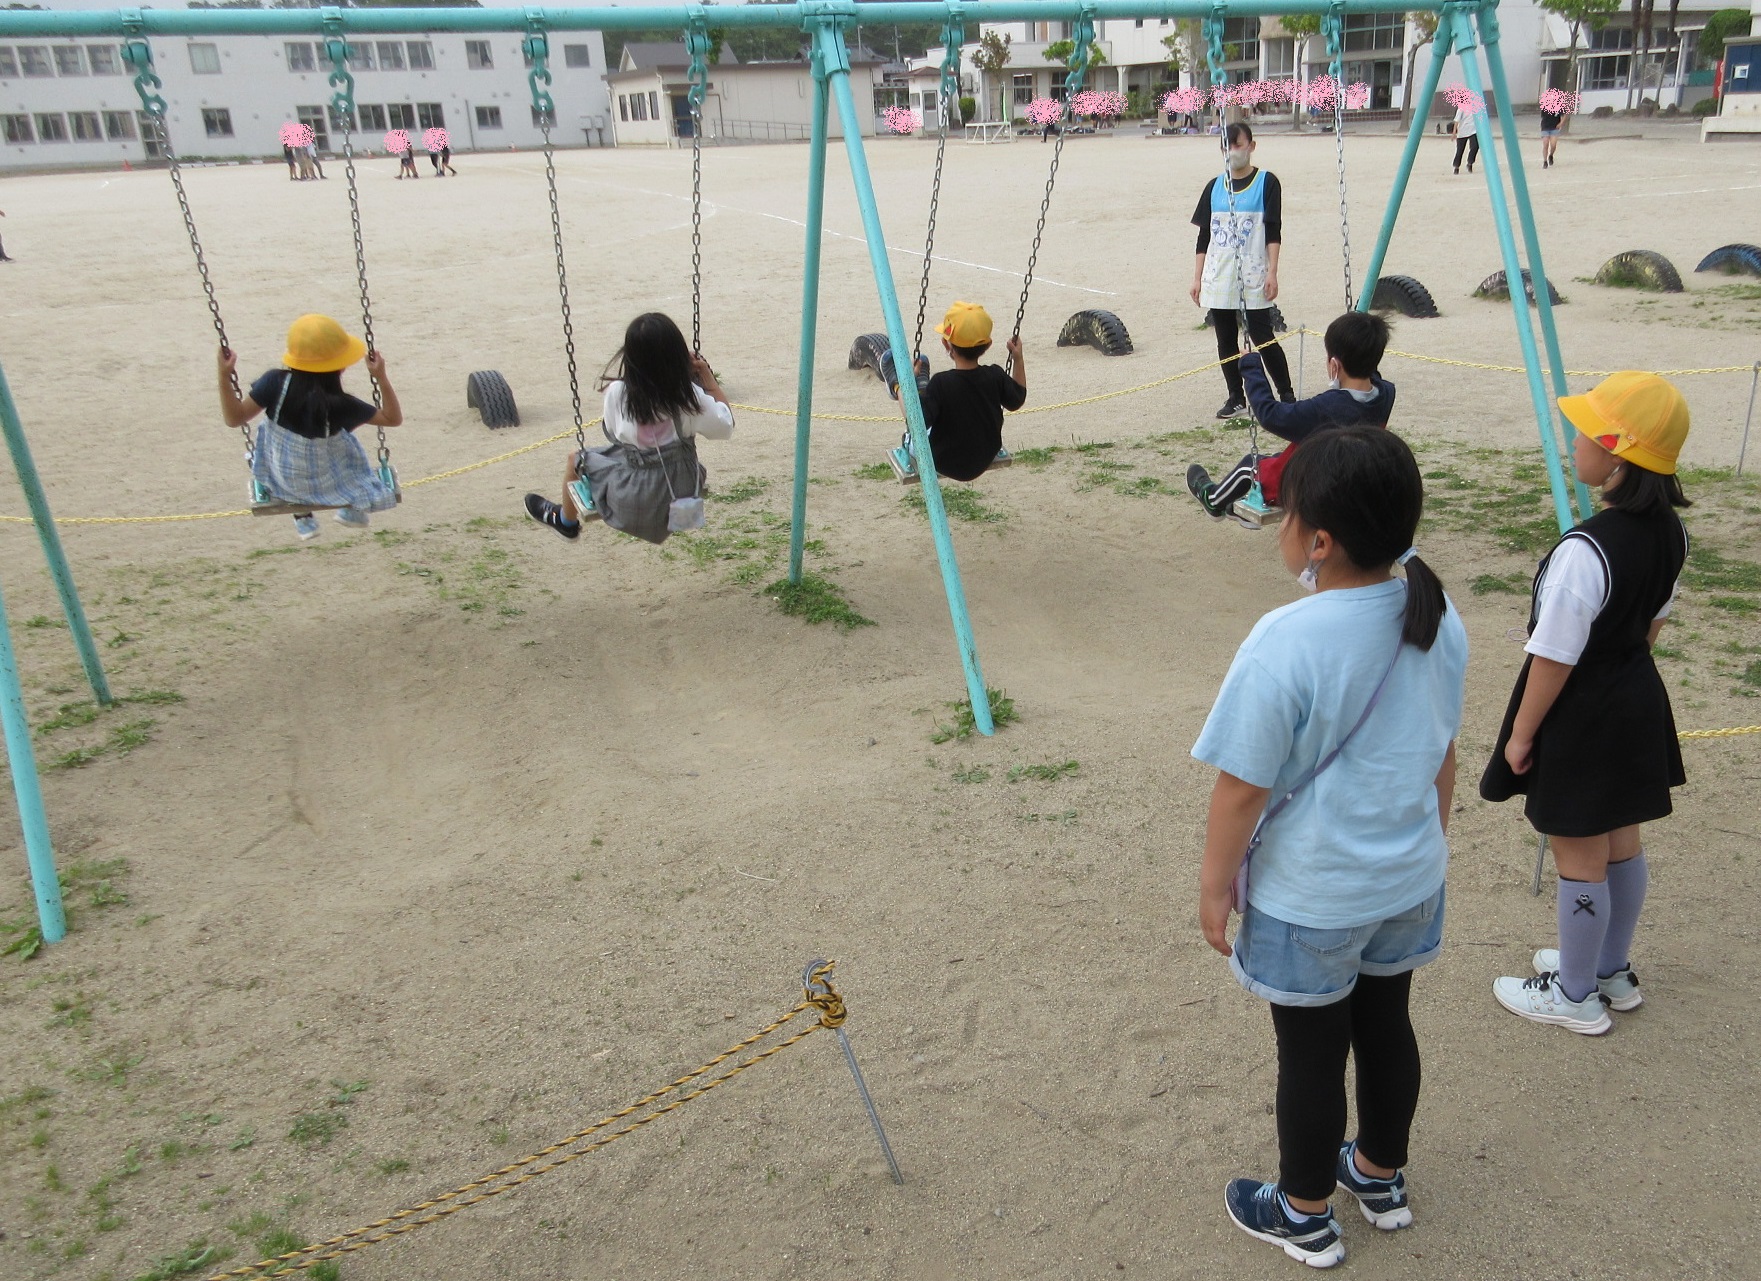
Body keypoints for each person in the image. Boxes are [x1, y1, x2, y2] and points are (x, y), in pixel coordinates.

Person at [1193, 426, 1467, 1269]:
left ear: (1318, 540)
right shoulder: (1437, 612)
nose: (1274, 526)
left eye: (1281, 514)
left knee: (1310, 1051)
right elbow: (1442, 751)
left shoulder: (1287, 637)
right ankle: (1378, 1172)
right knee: (1387, 1023)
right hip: (1407, 874)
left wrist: (1212, 887)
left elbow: (1241, 786)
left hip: (1316, 889)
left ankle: (1303, 1209)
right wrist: (1425, 842)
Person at [1482, 373, 1692, 1035]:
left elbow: (1553, 656)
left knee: (1578, 849)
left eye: (1584, 428)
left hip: (1584, 710)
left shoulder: (1585, 549)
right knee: (1620, 840)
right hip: (1634, 697)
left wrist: (1520, 735)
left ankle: (1573, 993)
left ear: (1615, 450)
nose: (1574, 438)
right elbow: (1651, 624)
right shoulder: (1671, 534)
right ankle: (1609, 967)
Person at [524, 312, 733, 544]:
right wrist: (706, 377)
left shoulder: (617, 393)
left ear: (629, 357)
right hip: (683, 488)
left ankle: (565, 522)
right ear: (678, 354)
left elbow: (614, 435)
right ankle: (566, 520)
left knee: (576, 459)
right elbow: (725, 427)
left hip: (633, 498)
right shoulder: (689, 396)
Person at [1186, 311, 1395, 525]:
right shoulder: (1387, 392)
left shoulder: (1327, 408)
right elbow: (1373, 375)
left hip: (1313, 483)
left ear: (1334, 366)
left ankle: (1212, 500)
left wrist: (1251, 367)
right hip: (1349, 472)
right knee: (1286, 454)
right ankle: (1234, 507)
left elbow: (1270, 414)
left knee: (1252, 465)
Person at [217, 314, 403, 541]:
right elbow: (392, 418)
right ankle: (352, 508)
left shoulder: (273, 382)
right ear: (341, 366)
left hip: (280, 478)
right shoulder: (341, 404)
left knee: (278, 441)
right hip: (328, 483)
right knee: (350, 456)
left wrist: (224, 374)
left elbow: (234, 418)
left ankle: (302, 516)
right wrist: (380, 376)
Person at [1192, 122, 1294, 419]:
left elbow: (1273, 230)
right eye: (1227, 146)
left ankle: (1285, 393)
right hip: (1219, 274)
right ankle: (1235, 395)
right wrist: (1197, 278)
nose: (1232, 152)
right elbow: (1203, 237)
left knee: (1262, 334)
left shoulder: (1267, 182)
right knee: (1225, 338)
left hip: (1253, 273)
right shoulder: (1214, 187)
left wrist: (1273, 271)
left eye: (1238, 145)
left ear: (1251, 145)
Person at [893, 302, 1027, 483]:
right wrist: (1018, 359)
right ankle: (922, 392)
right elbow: (1017, 399)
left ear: (946, 345)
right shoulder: (995, 375)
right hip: (986, 454)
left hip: (943, 462)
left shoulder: (941, 383)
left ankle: (898, 386)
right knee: (950, 410)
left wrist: (904, 384)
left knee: (916, 428)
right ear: (987, 345)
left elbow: (916, 423)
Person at [1449, 105, 1480, 174]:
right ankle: (1456, 166)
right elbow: (1456, 121)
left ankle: (1470, 163)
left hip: (1473, 130)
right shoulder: (1461, 108)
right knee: (1460, 150)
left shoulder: (1477, 107)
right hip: (1462, 132)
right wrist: (1454, 132)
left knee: (1475, 146)